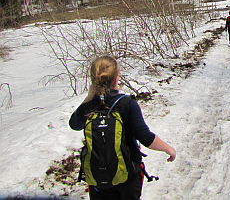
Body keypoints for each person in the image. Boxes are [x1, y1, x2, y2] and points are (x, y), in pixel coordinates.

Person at [69, 55, 176, 200]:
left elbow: (74, 124)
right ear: (117, 78)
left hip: (98, 176)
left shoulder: (89, 107)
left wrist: (89, 97)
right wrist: (168, 149)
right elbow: (145, 137)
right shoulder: (127, 103)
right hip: (128, 172)